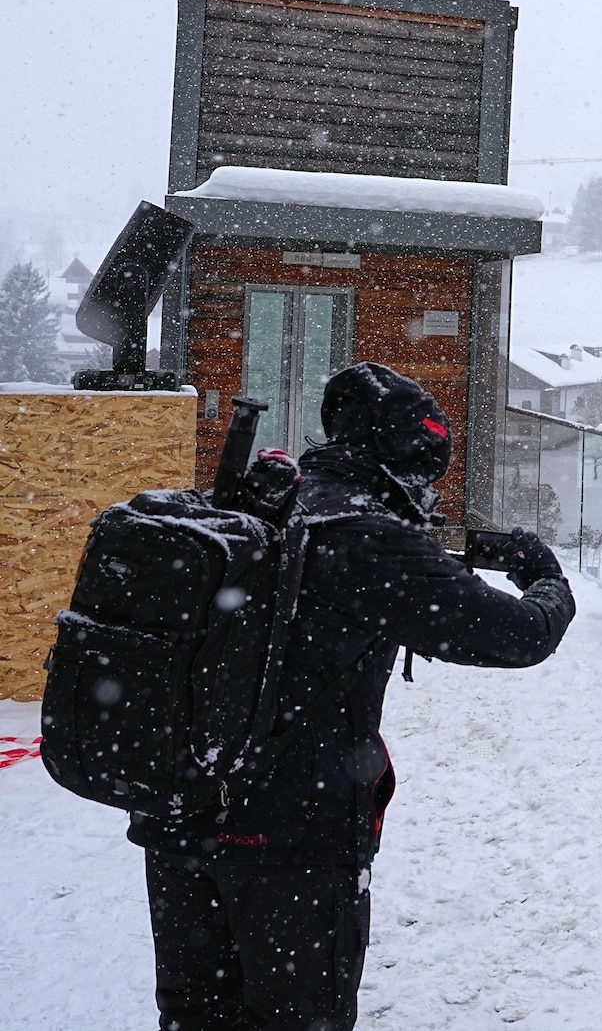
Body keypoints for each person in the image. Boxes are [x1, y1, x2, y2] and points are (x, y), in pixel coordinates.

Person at [128, 362, 576, 1030]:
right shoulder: (365, 542)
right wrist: (546, 576)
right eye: (426, 473)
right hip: (292, 848)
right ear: (400, 460)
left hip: (178, 825)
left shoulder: (258, 507)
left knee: (194, 1017)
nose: (428, 493)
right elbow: (519, 635)